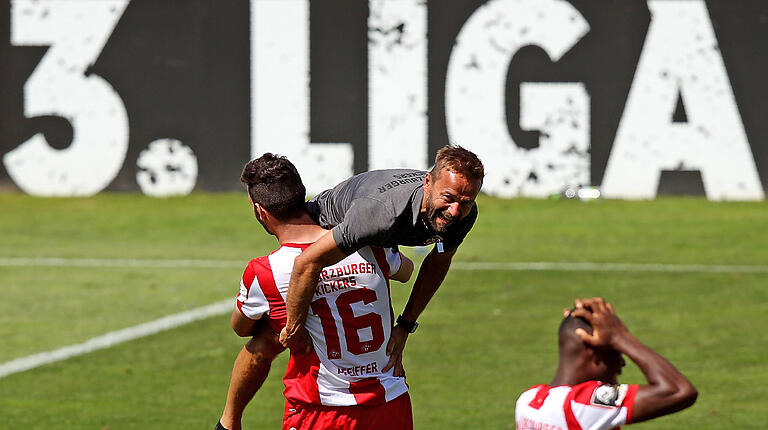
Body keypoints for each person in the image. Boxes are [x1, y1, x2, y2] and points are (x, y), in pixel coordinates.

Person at [216, 153, 415, 430]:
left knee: (268, 335)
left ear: (260, 211)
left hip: (322, 410)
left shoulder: (267, 272)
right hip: (390, 403)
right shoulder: (366, 243)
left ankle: (228, 422)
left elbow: (241, 327)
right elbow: (406, 271)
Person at [279, 145, 484, 377]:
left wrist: (406, 326)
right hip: (323, 227)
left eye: (466, 202)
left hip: (376, 236)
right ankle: (232, 414)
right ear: (428, 182)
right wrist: (293, 327)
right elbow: (306, 263)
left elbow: (439, 260)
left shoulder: (464, 214)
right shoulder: (381, 214)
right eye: (448, 198)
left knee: (405, 272)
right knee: (268, 340)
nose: (455, 211)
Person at [515, 297, 697, 430]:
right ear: (592, 351)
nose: (622, 363)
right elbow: (679, 390)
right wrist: (621, 337)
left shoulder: (527, 402)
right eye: (615, 351)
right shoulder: (580, 406)